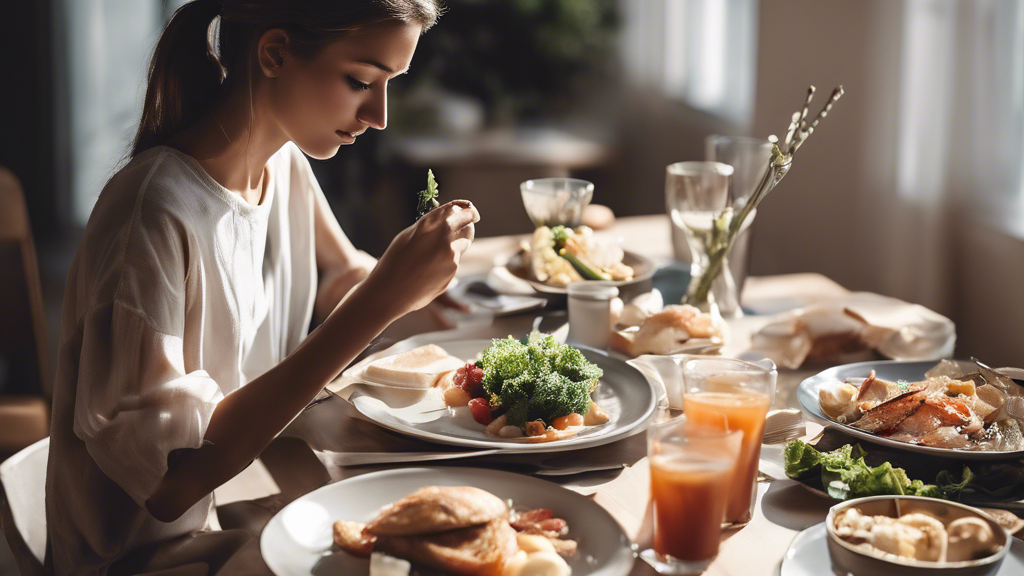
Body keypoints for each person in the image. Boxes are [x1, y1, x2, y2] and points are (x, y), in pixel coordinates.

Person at [43, 1, 477, 574]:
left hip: (243, 495)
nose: (379, 115)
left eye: (389, 84)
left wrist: (417, 288)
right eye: (360, 81)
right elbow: (173, 484)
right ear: (275, 53)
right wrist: (382, 300)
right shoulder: (152, 214)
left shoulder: (282, 166)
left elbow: (341, 274)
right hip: (148, 555)